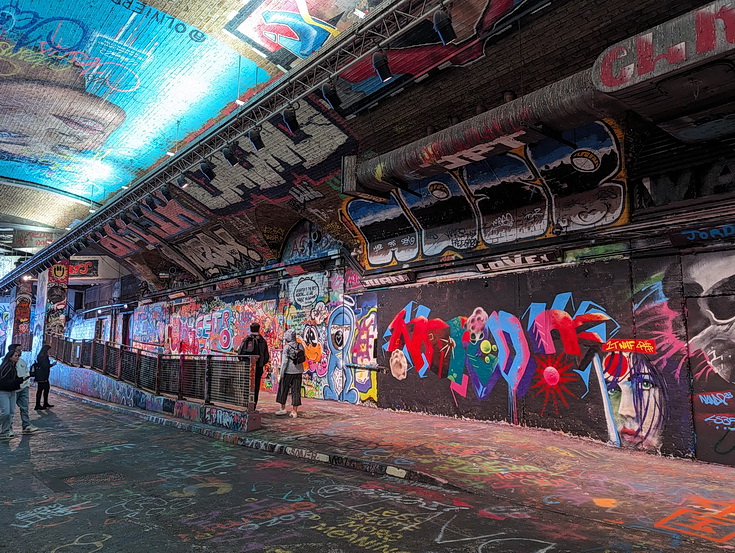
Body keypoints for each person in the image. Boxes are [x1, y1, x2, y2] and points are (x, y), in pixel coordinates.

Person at [238, 322, 270, 409]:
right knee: (255, 387)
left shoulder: (246, 339)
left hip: (247, 367)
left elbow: (240, 353)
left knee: (245, 385)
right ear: (259, 329)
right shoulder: (262, 341)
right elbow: (266, 356)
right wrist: (261, 364)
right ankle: (253, 405)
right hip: (258, 367)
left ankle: (246, 404)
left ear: (250, 329)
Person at [275, 329, 305, 418]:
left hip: (288, 372)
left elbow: (284, 362)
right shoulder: (300, 346)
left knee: (283, 389)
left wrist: (282, 373)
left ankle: (282, 408)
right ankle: (294, 411)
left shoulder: (287, 347)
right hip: (298, 371)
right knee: (296, 391)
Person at [9, 345, 38, 434]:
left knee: (24, 408)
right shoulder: (3, 362)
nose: (20, 352)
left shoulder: (22, 362)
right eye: (18, 350)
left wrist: (27, 385)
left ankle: (26, 425)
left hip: (23, 388)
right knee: (10, 410)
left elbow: (26, 373)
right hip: (12, 390)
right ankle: (8, 428)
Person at [0, 348, 28, 439]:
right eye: (15, 356)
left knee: (11, 412)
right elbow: (6, 381)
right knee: (6, 412)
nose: (17, 358)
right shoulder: (6, 367)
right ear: (10, 357)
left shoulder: (13, 367)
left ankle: (5, 431)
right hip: (4, 392)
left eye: (18, 356)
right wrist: (20, 380)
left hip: (12, 391)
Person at [34, 344, 56, 411]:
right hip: (43, 376)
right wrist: (52, 365)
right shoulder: (44, 357)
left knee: (40, 390)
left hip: (40, 375)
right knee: (44, 389)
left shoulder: (40, 356)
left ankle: (42, 404)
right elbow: (45, 366)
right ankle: (40, 404)